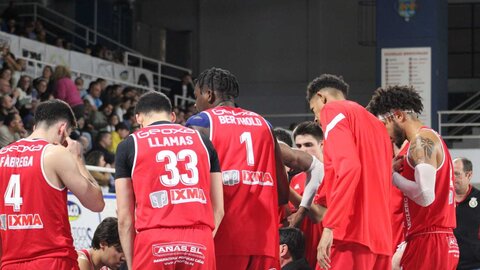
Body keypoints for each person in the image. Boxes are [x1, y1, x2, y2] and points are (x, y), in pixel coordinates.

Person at [186, 67, 289, 270]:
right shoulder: (264, 124)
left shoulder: (201, 123)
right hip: (264, 241)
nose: (196, 104)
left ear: (209, 95)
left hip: (222, 237)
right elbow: (283, 193)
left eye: (196, 96)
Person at [115, 91, 224, 270]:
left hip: (154, 238)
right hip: (199, 238)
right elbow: (218, 209)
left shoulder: (129, 144)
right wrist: (202, 241)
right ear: (172, 116)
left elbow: (125, 217)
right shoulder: (203, 141)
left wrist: (132, 263)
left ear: (138, 118)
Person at [0, 99, 104, 269]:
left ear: (36, 126)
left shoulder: (2, 154)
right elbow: (97, 203)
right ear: (62, 129)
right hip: (52, 259)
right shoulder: (55, 153)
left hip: (10, 262)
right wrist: (78, 159)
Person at [367, 85, 458, 270]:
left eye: (384, 125)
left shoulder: (420, 142)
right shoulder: (427, 139)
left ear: (399, 116)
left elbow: (426, 195)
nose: (385, 134)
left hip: (431, 239)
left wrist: (392, 176)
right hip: (430, 237)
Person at [308, 74, 393, 269]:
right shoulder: (378, 126)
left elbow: (349, 168)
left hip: (350, 235)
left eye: (314, 109)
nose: (315, 118)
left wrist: (330, 227)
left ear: (322, 97)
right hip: (381, 242)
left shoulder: (333, 110)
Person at [287, 121, 324, 269]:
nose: (303, 150)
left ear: (322, 145)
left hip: (329, 254)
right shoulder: (295, 179)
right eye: (299, 146)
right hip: (304, 258)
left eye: (309, 145)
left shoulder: (335, 175)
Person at [453, 157, 480, 270]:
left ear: (469, 175)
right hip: (448, 264)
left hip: (474, 265)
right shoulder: (443, 199)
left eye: (457, 174)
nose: (453, 178)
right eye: (451, 174)